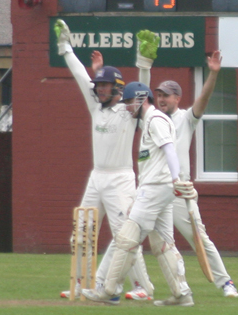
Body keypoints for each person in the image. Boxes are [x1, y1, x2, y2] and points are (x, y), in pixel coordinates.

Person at [95, 31, 238, 298]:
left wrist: (214, 74)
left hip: (178, 190)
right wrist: (142, 64)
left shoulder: (185, 118)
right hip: (156, 187)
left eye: (168, 96)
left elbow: (204, 100)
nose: (162, 99)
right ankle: (130, 287)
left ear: (177, 99)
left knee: (199, 238)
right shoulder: (147, 117)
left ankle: (226, 283)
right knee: (138, 237)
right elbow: (136, 92)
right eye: (159, 95)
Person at [54, 19, 152, 301]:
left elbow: (143, 90)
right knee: (82, 232)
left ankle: (140, 286)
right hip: (97, 177)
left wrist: (144, 61)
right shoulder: (96, 107)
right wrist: (65, 48)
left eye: (105, 86)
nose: (98, 89)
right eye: (98, 85)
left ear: (118, 88)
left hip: (121, 179)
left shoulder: (128, 111)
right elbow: (79, 75)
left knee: (125, 236)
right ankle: (80, 284)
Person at [82, 81, 196, 306]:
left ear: (141, 99)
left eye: (128, 102)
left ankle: (109, 290)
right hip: (157, 189)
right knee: (162, 243)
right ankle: (182, 294)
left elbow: (170, 150)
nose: (126, 107)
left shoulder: (155, 120)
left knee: (126, 238)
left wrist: (176, 178)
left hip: (157, 189)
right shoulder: (149, 123)